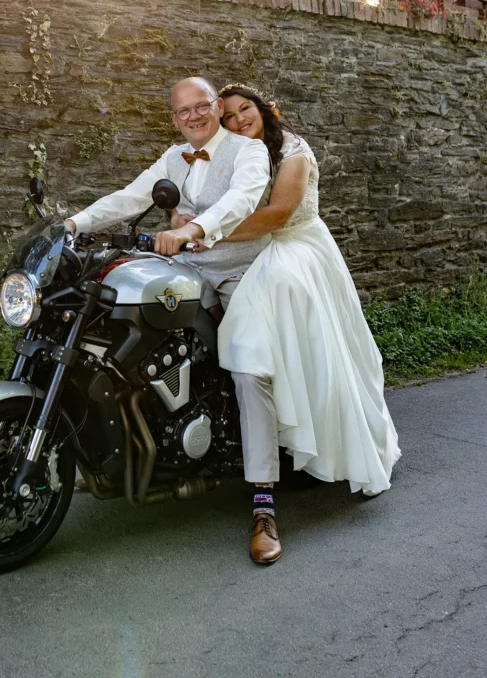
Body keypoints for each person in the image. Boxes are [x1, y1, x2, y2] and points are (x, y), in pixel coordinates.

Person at [176, 83, 401, 566]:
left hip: (294, 247)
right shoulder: (230, 155)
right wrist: (186, 222)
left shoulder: (292, 150)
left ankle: (266, 501)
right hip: (246, 252)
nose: (238, 121)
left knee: (268, 355)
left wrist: (201, 233)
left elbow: (278, 215)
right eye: (229, 116)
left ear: (264, 110)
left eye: (245, 110)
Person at [65, 76, 273, 314]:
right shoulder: (173, 157)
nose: (193, 116)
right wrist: (75, 223)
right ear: (175, 120)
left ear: (219, 107)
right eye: (183, 111)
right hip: (189, 269)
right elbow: (130, 196)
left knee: (241, 346)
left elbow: (241, 198)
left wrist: (188, 230)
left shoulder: (250, 149)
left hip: (240, 272)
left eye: (202, 106)